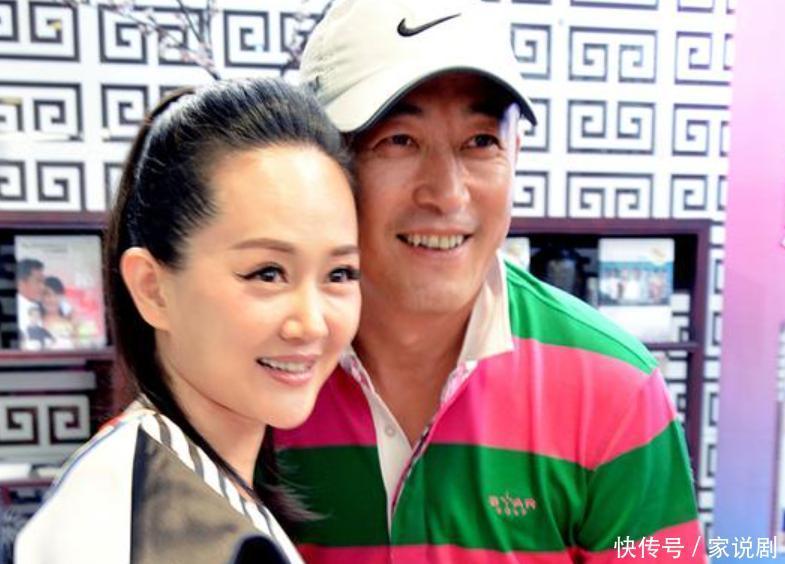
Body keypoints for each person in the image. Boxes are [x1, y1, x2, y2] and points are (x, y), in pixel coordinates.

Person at [262, 0, 706, 562]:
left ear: (515, 152)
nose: (447, 194)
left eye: (480, 141)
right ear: (322, 161)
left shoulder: (615, 388)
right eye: (398, 139)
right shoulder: (262, 373)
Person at [15, 78, 361, 563]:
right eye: (267, 273)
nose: (313, 323)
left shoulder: (177, 483)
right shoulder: (154, 522)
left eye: (339, 274)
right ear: (152, 289)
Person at [15, 258, 45, 348]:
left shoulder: (41, 306)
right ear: (21, 283)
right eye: (38, 281)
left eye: (43, 281)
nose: (42, 287)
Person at [40, 275, 76, 349]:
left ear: (62, 297)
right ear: (41, 296)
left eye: (56, 295)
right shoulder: (35, 322)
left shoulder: (69, 325)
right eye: (48, 295)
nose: (53, 299)